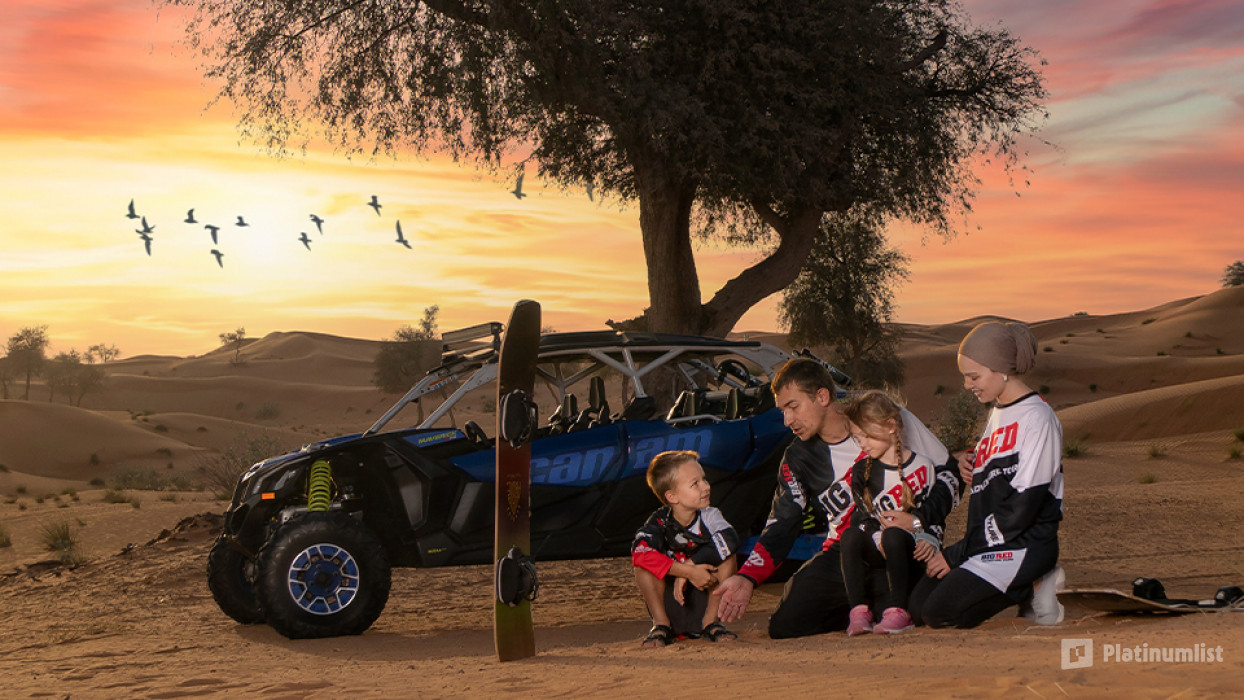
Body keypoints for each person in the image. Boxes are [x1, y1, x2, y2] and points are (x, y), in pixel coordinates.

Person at [713, 358, 960, 638]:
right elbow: (781, 524)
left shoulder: (885, 416)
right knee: (787, 625)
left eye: (793, 407)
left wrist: (919, 519)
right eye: (782, 411)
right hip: (847, 551)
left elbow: (949, 474)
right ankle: (866, 607)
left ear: (822, 396)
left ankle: (886, 603)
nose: (787, 421)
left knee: (923, 611)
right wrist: (747, 578)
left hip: (906, 543)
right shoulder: (797, 457)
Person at [910, 321, 1065, 628]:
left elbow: (1022, 508)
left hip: (1022, 544)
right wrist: (973, 462)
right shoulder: (997, 412)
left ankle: (1035, 582)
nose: (968, 385)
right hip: (989, 543)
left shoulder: (1038, 418)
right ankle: (1024, 587)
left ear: (1001, 369)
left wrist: (956, 554)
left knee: (938, 613)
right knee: (916, 608)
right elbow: (1000, 467)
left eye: (974, 376)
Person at [839, 390, 958, 635]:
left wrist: (930, 538)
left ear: (891, 426)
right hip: (878, 545)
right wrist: (876, 538)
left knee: (893, 534)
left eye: (867, 436)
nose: (862, 444)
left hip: (910, 548)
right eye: (857, 438)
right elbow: (864, 517)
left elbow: (933, 515)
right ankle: (858, 612)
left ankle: (899, 612)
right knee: (850, 536)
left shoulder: (923, 464)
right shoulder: (861, 472)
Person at [633, 450, 740, 647]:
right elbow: (640, 555)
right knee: (643, 567)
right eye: (695, 484)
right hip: (672, 602)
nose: (706, 487)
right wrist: (687, 571)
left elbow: (730, 539)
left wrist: (692, 564)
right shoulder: (659, 521)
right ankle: (661, 625)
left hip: (704, 593)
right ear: (672, 496)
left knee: (728, 557)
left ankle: (711, 623)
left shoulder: (710, 515)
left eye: (704, 480)